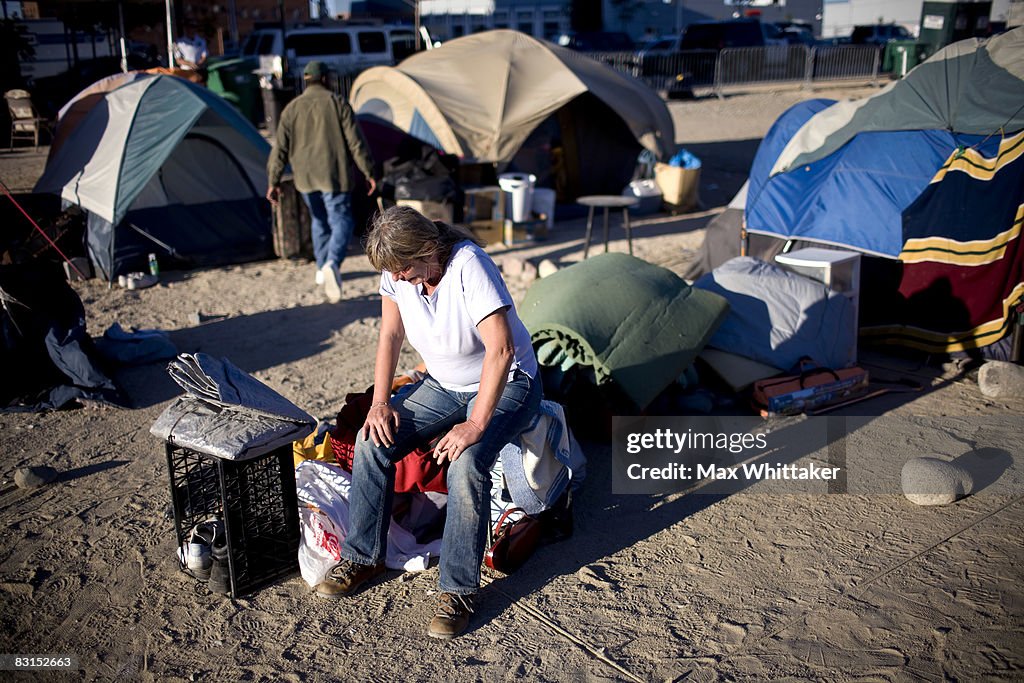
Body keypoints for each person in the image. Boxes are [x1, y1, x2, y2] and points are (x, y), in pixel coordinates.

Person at [316, 205, 542, 640]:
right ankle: (363, 556)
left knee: (468, 462)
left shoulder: (468, 265)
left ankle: (458, 590)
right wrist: (380, 403)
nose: (398, 279)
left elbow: (501, 351)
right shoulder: (397, 272)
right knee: (371, 440)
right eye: (393, 273)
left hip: (509, 382)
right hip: (444, 384)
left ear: (426, 249)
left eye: (403, 269)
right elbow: (390, 335)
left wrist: (474, 425)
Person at [266, 61, 377, 303]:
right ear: (325, 79)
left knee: (320, 220)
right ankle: (332, 263)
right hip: (333, 175)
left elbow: (279, 149)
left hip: (304, 179)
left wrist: (273, 180)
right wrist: (369, 171)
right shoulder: (337, 103)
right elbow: (355, 142)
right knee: (343, 221)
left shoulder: (291, 108)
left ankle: (321, 268)